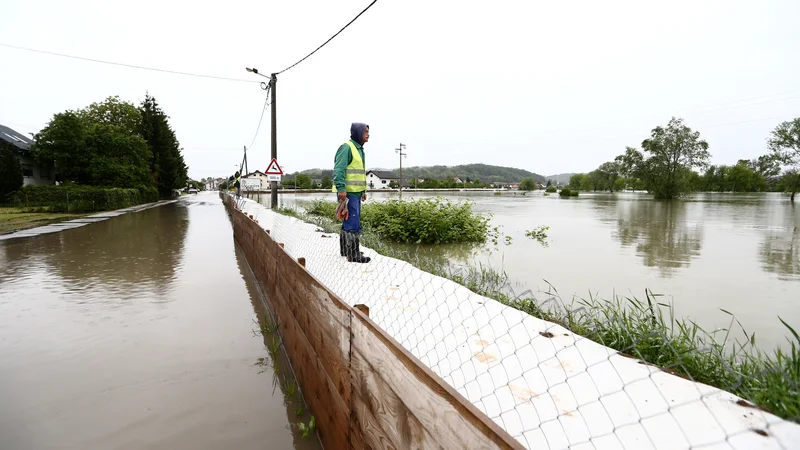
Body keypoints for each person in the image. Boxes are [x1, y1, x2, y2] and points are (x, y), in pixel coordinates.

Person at [332, 123, 371, 263]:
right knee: (353, 222)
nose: (368, 134)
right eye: (365, 131)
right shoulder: (347, 147)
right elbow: (339, 169)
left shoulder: (359, 149)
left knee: (348, 220)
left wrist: (363, 191)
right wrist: (341, 188)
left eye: (368, 131)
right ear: (358, 132)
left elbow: (359, 173)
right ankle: (353, 254)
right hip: (348, 193)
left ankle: (345, 250)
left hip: (356, 192)